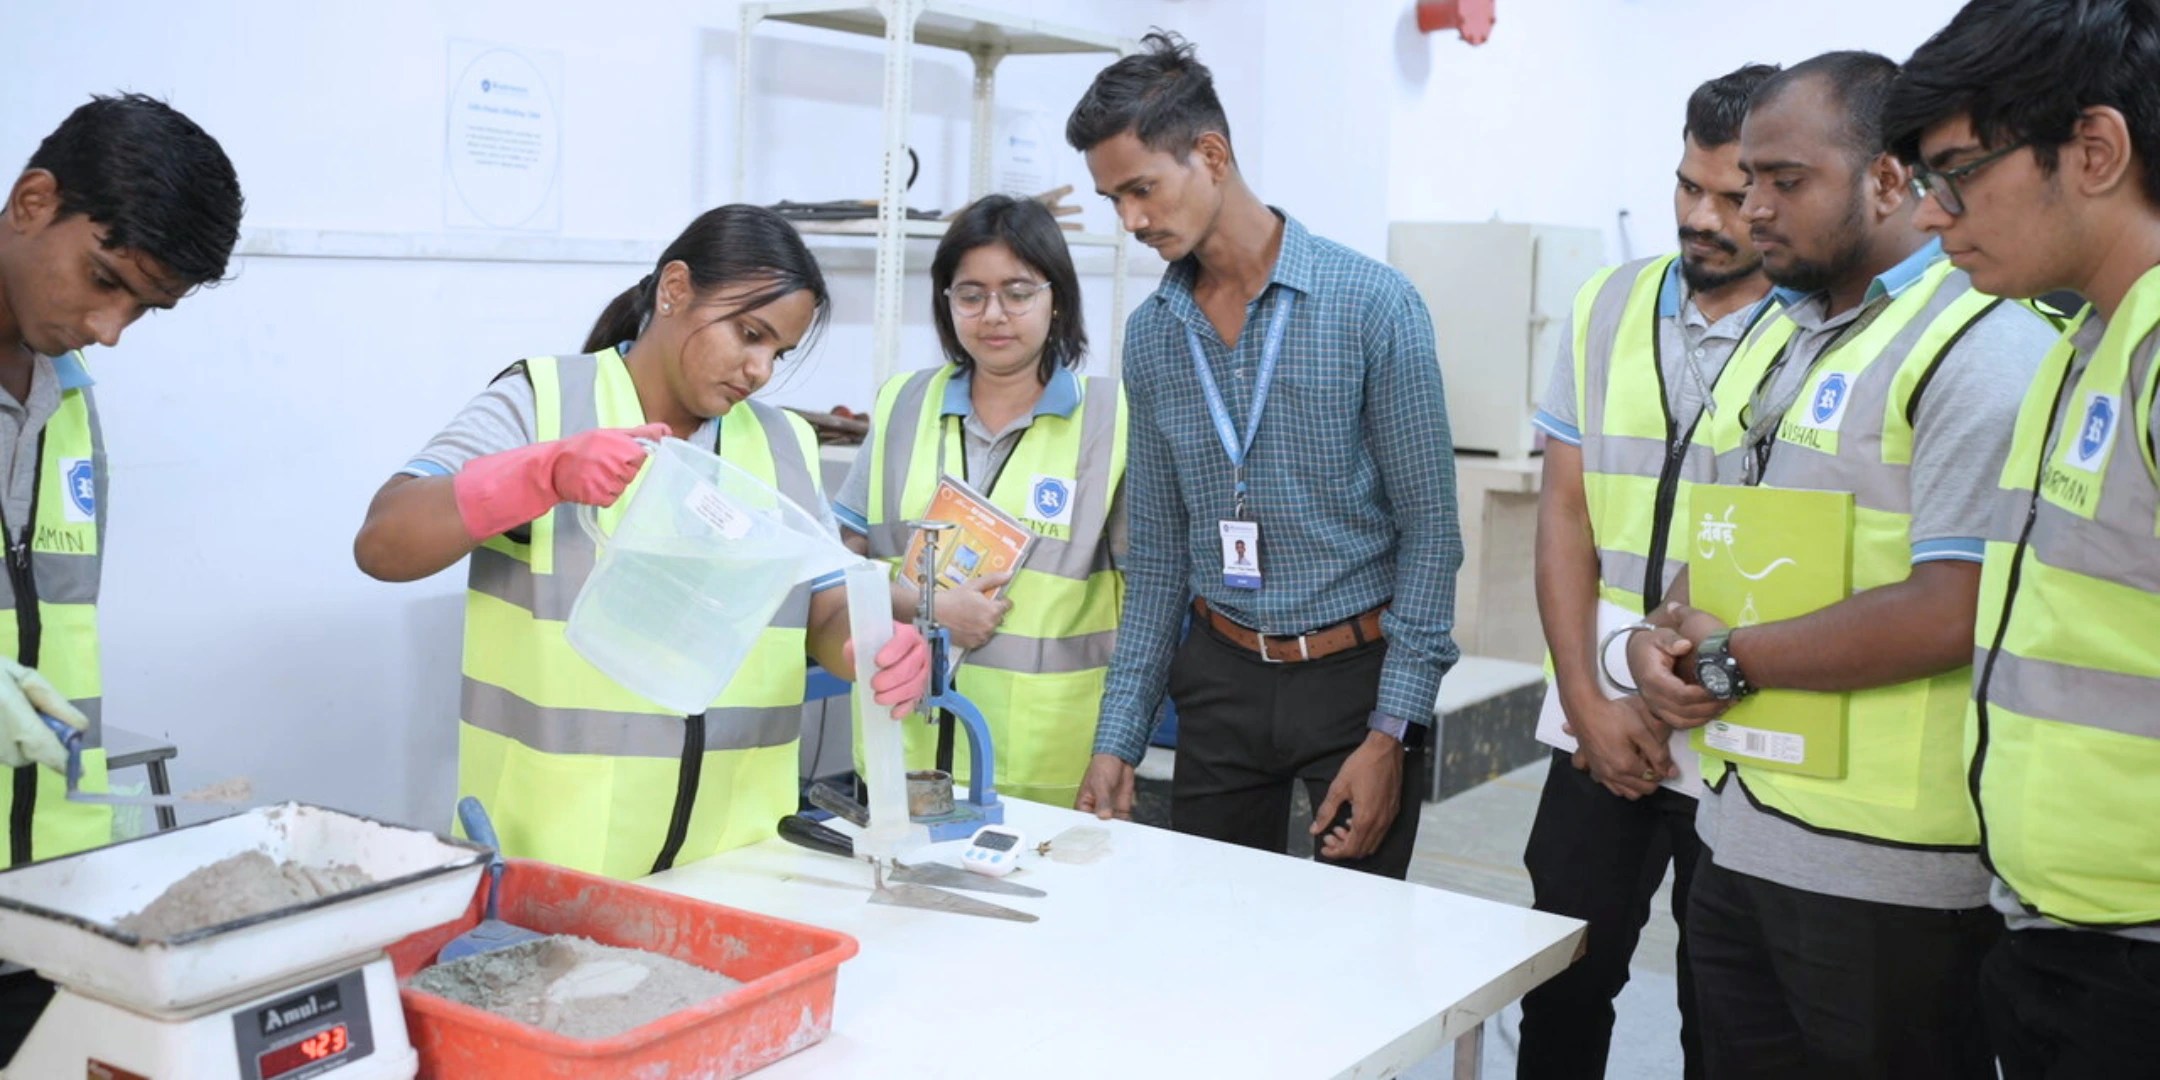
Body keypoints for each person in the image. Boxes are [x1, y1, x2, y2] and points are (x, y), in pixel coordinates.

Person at [1623, 52, 2059, 1079]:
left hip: (1888, 875)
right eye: (1746, 181)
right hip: (1741, 830)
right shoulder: (1787, 332)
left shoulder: (1978, 345)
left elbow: (1954, 606)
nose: (1752, 208)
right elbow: (1727, 534)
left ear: (1889, 180)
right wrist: (1655, 640)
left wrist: (1726, 660)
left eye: (1786, 181)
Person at [353, 204, 927, 881]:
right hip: (560, 864)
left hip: (737, 862)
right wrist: (539, 474)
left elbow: (823, 608)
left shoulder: (782, 444)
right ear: (675, 289)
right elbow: (384, 543)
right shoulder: (544, 403)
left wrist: (869, 647)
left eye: (778, 352)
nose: (760, 371)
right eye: (749, 334)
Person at [1066, 31, 1462, 880]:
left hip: (1356, 681)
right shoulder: (1154, 337)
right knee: (1216, 929)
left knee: (1354, 938)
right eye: (1112, 200)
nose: (1130, 221)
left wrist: (1393, 730)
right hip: (1220, 678)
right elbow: (1160, 558)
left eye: (1142, 189)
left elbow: (1432, 534)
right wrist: (1118, 738)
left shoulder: (1373, 306)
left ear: (1211, 156)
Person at [1882, 2, 2160, 1074]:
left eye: (1957, 174)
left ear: (2093, 151)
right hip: (2062, 932)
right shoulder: (2083, 346)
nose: (1932, 216)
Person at [1518, 62, 1778, 1080]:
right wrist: (1587, 700)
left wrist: (1683, 678)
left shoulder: (1817, 324)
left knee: (1725, 1010)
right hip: (1598, 718)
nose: (1702, 218)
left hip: (1739, 722)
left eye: (1734, 196)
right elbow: (1564, 514)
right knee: (1562, 982)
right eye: (1687, 186)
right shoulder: (1608, 303)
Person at [0, 92, 243, 1060]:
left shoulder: (68, 396)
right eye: (103, 280)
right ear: (33, 202)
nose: (110, 328)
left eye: (144, 307)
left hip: (48, 908)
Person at [836, 193, 1127, 808]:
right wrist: (928, 608)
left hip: (1047, 764)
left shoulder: (1112, 419)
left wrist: (1121, 747)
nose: (994, 315)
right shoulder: (903, 404)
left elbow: (1152, 602)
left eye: (1018, 293)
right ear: (947, 303)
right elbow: (838, 565)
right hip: (903, 750)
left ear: (1057, 298)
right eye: (971, 295)